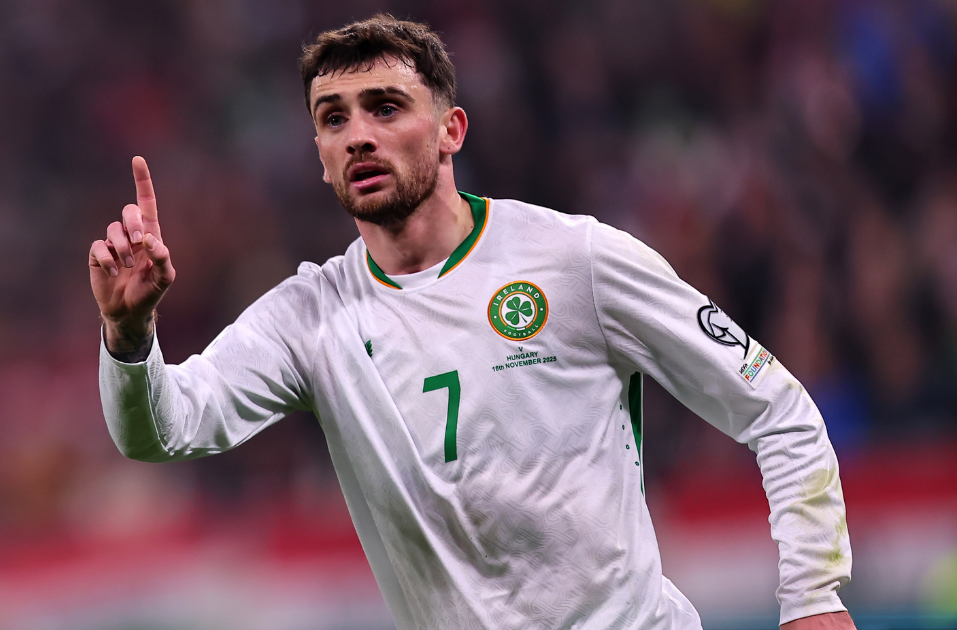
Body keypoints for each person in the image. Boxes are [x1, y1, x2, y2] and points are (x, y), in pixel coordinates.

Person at [90, 15, 854, 630]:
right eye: (333, 118)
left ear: (452, 129)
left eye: (385, 108)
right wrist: (129, 340)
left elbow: (776, 406)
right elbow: (164, 429)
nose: (359, 133)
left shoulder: (575, 259)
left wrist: (813, 594)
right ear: (320, 156)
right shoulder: (309, 318)